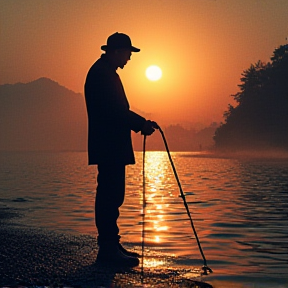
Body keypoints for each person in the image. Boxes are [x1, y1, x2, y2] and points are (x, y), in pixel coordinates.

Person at [84, 32, 158, 268]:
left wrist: (141, 123)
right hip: (109, 145)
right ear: (116, 51)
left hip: (109, 145)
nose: (129, 58)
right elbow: (115, 112)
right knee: (110, 195)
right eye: (128, 53)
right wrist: (141, 124)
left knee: (113, 195)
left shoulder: (104, 72)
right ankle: (107, 249)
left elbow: (116, 110)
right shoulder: (102, 75)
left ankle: (111, 245)